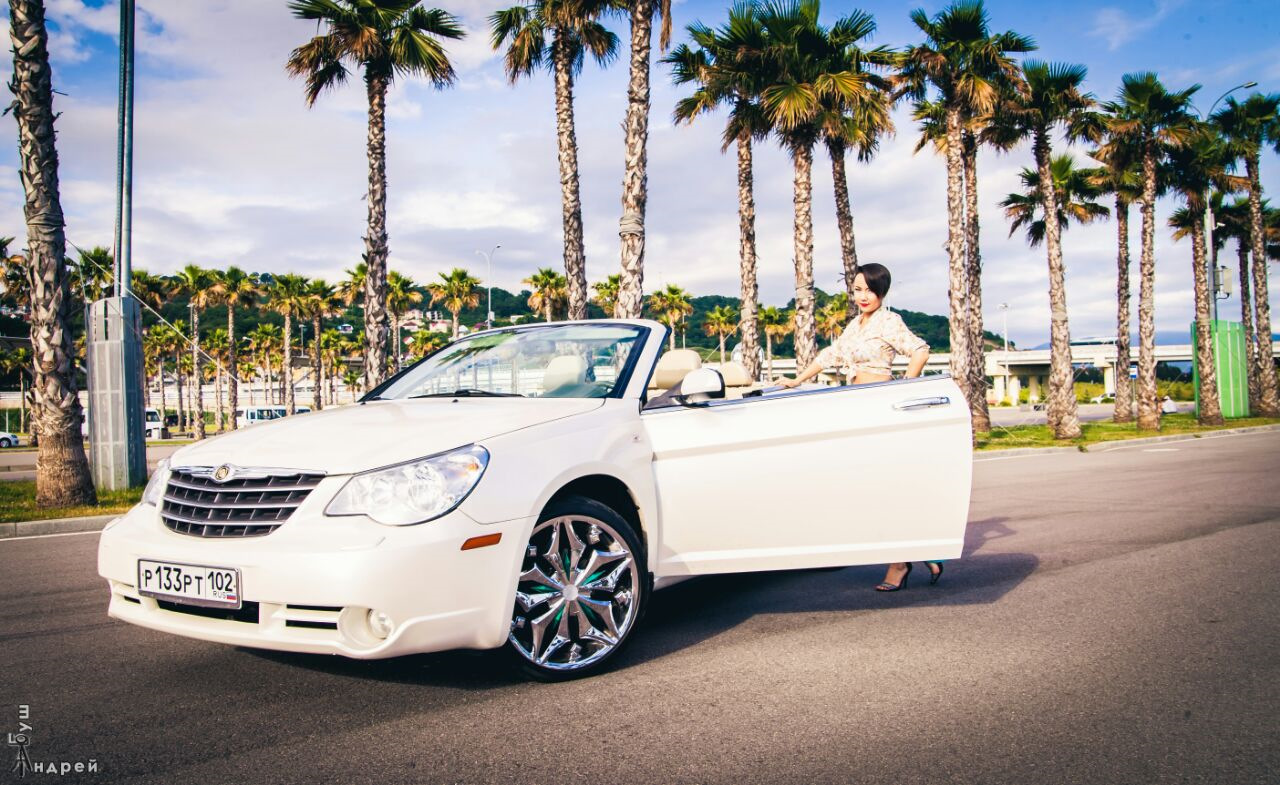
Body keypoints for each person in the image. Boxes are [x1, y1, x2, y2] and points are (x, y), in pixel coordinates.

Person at [775, 263, 939, 592]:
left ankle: (899, 563)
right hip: (857, 407)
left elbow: (920, 349)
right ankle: (919, 551)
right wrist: (797, 380)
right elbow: (831, 355)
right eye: (857, 289)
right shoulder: (856, 324)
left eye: (869, 290)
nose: (863, 296)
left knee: (884, 488)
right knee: (868, 487)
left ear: (882, 292)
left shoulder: (889, 321)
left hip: (881, 407)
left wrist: (907, 386)